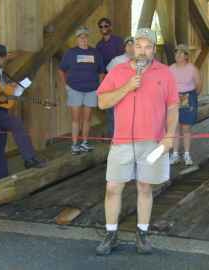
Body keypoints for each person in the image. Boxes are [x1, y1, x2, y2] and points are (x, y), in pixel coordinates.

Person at [95, 28, 179, 255]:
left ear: (154, 49)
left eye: (148, 47)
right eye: (139, 46)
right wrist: (127, 86)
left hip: (152, 141)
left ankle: (142, 234)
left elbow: (173, 106)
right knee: (113, 188)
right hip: (122, 141)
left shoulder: (165, 73)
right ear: (132, 46)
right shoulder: (118, 71)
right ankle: (110, 234)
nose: (143, 51)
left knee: (145, 187)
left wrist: (170, 134)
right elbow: (102, 102)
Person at [0, 44, 46, 180]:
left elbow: (1, 90)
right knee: (17, 124)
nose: (5, 61)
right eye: (4, 58)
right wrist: (8, 90)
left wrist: (11, 87)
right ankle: (29, 159)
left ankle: (1, 176)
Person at [59, 26, 105, 155]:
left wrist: (100, 86)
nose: (83, 39)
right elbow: (61, 69)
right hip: (74, 89)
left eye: (85, 36)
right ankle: (74, 144)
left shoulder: (95, 53)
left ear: (88, 38)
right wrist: (65, 85)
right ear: (77, 39)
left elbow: (101, 71)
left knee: (88, 118)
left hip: (91, 90)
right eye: (80, 37)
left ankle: (84, 143)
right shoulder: (70, 53)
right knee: (75, 119)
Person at [169, 44, 201, 165]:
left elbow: (198, 85)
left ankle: (187, 154)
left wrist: (192, 98)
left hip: (188, 97)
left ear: (186, 56)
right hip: (174, 97)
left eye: (181, 53)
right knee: (175, 127)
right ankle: (175, 154)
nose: (178, 55)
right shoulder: (170, 68)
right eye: (176, 52)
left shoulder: (192, 68)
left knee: (186, 128)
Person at [96, 17, 124, 138]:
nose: (104, 28)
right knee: (110, 110)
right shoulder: (99, 45)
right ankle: (114, 136)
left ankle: (124, 135)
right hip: (108, 80)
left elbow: (123, 60)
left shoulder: (118, 41)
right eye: (101, 26)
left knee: (123, 107)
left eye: (106, 26)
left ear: (110, 27)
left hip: (121, 78)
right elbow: (100, 66)